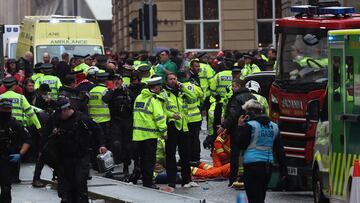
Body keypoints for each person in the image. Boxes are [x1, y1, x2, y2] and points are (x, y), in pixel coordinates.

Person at [43, 97, 107, 202]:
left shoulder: (82, 119)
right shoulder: (57, 119)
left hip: (80, 157)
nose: (59, 116)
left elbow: (98, 130)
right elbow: (47, 136)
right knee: (65, 189)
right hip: (63, 159)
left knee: (79, 184)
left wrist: (102, 145)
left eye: (60, 113)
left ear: (66, 110)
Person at [237, 99, 287, 203]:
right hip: (267, 167)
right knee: (260, 197)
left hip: (252, 166)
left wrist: (240, 127)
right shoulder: (274, 126)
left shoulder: (250, 126)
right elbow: (280, 150)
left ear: (249, 112)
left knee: (253, 198)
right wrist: (283, 170)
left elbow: (240, 144)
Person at [162, 73, 199, 188]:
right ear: (166, 81)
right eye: (170, 79)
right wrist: (171, 115)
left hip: (184, 126)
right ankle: (172, 181)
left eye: (174, 78)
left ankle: (187, 180)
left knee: (185, 155)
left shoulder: (182, 92)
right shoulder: (164, 93)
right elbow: (161, 110)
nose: (173, 81)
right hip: (172, 126)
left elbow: (193, 98)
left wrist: (183, 87)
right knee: (171, 155)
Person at [217, 78, 255, 186]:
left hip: (237, 130)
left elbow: (233, 115)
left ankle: (233, 179)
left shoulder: (236, 98)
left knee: (235, 155)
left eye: (233, 86)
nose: (231, 88)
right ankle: (247, 178)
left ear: (238, 86)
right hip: (251, 128)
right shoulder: (252, 97)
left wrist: (224, 126)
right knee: (248, 153)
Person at [132, 77, 167, 189]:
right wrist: (164, 132)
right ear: (155, 87)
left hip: (137, 134)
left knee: (141, 159)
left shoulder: (139, 97)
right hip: (150, 135)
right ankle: (148, 182)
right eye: (159, 86)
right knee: (149, 160)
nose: (160, 88)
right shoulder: (154, 100)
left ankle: (142, 178)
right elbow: (159, 117)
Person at [0, 98, 31, 203]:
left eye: (8, 109)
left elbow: (27, 139)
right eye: (4, 108)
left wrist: (20, 154)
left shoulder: (14, 123)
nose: (6, 111)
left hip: (6, 159)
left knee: (6, 188)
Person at [103, 74, 134, 173]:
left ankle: (126, 167)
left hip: (127, 121)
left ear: (122, 81)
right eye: (114, 80)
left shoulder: (128, 92)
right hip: (116, 121)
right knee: (116, 144)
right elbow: (105, 99)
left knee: (128, 146)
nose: (117, 82)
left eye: (118, 80)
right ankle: (112, 166)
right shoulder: (111, 92)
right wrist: (113, 90)